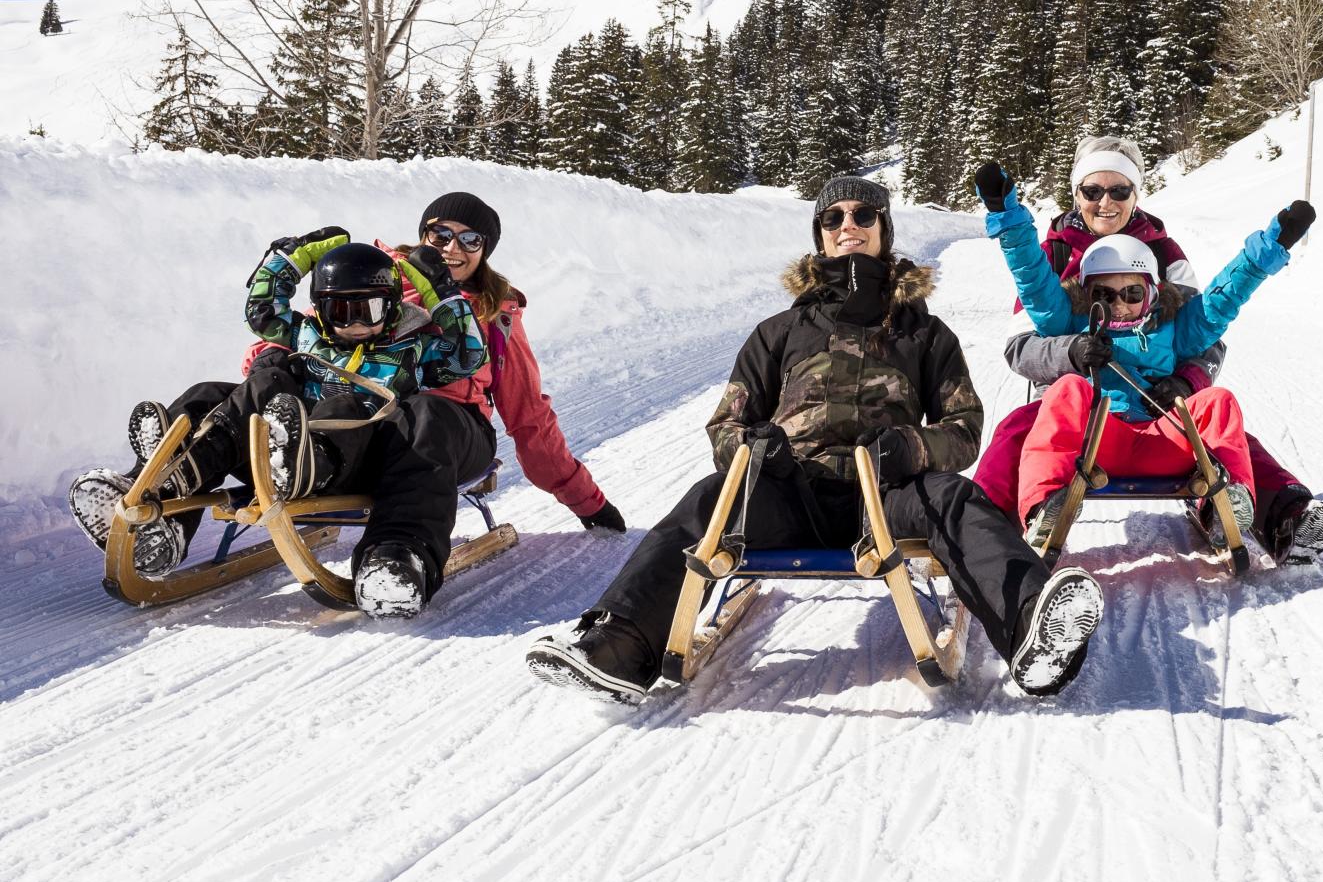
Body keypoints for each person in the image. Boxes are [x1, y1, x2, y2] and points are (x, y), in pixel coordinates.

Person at [527, 176, 1103, 703]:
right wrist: (754, 452)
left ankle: (1032, 625)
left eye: (863, 215)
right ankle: (618, 646)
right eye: (833, 218)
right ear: (821, 236)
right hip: (791, 493)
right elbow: (723, 425)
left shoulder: (923, 333)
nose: (847, 225)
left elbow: (964, 428)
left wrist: (913, 448)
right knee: (707, 500)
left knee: (954, 498)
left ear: (884, 230)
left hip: (889, 496)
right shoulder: (779, 333)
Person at [67, 229, 487, 617]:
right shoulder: (304, 335)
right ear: (320, 309)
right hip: (274, 448)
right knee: (224, 390)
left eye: (370, 309)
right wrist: (292, 257)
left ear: (393, 306)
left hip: (351, 461)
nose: (356, 322)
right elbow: (261, 307)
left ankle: (390, 559)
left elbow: (467, 354)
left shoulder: (414, 347)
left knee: (344, 405)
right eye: (341, 310)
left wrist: (442, 292)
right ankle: (164, 489)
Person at [972, 137, 1323, 564]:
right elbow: (1024, 334)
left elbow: (1209, 318)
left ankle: (1272, 512)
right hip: (1081, 408)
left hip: (1161, 409)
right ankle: (987, 529)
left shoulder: (1164, 256)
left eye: (1119, 190)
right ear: (1077, 194)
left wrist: (1187, 381)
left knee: (1221, 420)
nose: (1105, 201)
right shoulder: (1052, 254)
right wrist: (1073, 350)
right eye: (1093, 191)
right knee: (1022, 427)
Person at [389, 192, 624, 535]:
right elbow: (312, 337)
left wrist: (587, 500)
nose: (452, 248)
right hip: (378, 424)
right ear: (424, 235)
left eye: (469, 239)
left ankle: (403, 552)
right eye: (441, 234)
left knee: (427, 411)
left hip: (455, 434)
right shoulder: (382, 281)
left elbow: (528, 414)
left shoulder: (494, 311)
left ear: (484, 251)